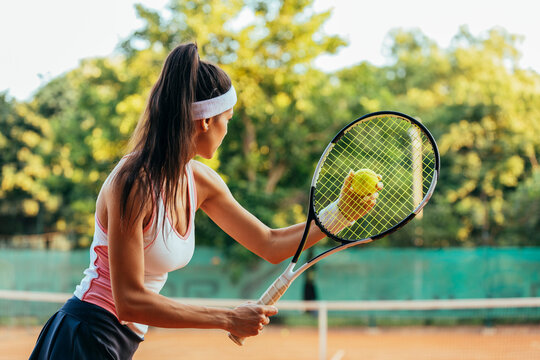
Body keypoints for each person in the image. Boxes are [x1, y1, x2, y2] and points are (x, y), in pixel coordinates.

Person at [29, 42, 381, 359]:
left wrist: (337, 215)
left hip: (115, 342)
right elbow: (129, 301)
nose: (228, 130)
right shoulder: (132, 183)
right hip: (83, 334)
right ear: (206, 121)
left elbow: (270, 244)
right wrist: (228, 317)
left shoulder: (200, 181)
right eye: (227, 120)